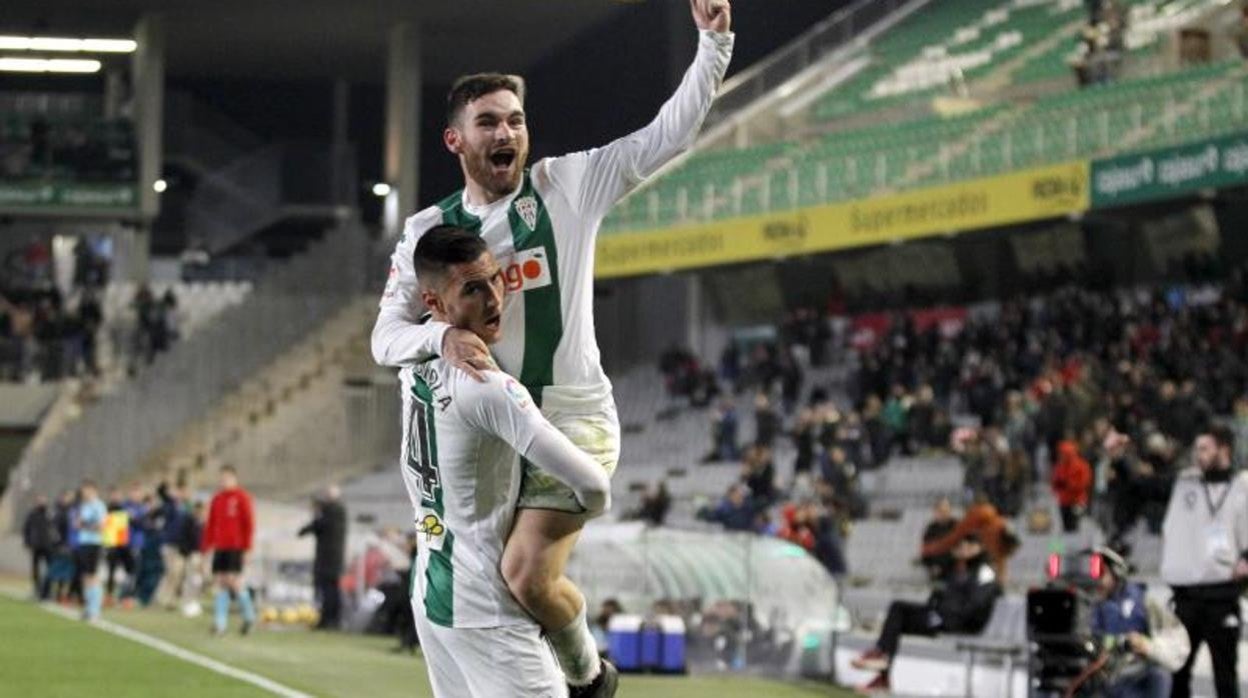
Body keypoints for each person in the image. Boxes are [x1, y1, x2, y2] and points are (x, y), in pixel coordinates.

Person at [372, 2, 732, 694]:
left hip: (572, 418)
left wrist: (713, 41)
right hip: (493, 432)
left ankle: (589, 676)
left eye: (516, 120)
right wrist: (439, 333)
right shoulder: (428, 235)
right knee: (495, 588)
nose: (507, 132)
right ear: (456, 142)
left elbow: (667, 136)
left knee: (525, 575)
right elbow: (385, 337)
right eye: (489, 122)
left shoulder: (567, 185)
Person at [396, 227, 613, 697]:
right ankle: (592, 675)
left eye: (497, 280)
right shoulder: (488, 388)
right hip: (485, 608)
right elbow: (594, 486)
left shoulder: (410, 365)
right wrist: (575, 511)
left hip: (432, 594)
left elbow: (389, 337)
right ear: (435, 304)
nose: (495, 298)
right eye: (473, 289)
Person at [851, 533, 1001, 693]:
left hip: (960, 623)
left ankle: (881, 658)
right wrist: (936, 607)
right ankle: (882, 669)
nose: (965, 550)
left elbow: (975, 604)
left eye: (970, 546)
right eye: (963, 546)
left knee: (899, 611)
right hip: (943, 617)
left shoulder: (984, 572)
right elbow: (942, 593)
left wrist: (942, 614)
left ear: (980, 549)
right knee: (897, 614)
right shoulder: (959, 570)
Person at [1160, 426, 1248, 698]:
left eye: (1205, 448)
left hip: (1221, 595)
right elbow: (1145, 487)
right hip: (1185, 597)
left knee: (1225, 678)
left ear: (1224, 450)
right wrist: (1121, 462)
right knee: (1178, 675)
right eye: (1197, 448)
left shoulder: (1241, 486)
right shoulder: (1184, 482)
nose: (1198, 455)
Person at [1083, 547, 1187, 698]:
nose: (1094, 580)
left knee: (1159, 675)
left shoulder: (1144, 602)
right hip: (1090, 676)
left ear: (1116, 573)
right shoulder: (1078, 604)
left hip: (1127, 676)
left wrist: (1147, 646)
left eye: (1100, 572)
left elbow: (1176, 644)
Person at [201, 465, 257, 636]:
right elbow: (210, 524)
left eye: (227, 478)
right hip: (220, 547)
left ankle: (249, 616)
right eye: (221, 478)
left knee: (234, 581)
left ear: (234, 478)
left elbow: (249, 524)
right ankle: (220, 624)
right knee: (219, 582)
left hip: (236, 547)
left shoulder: (242, 497)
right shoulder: (217, 499)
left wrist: (248, 548)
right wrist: (207, 546)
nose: (223, 481)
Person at [298, 485, 347, 630]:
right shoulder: (334, 510)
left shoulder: (335, 510)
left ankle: (330, 620)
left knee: (329, 590)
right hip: (330, 558)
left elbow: (318, 524)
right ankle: (329, 619)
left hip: (330, 558)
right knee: (329, 590)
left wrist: (306, 528)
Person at [75, 480, 108, 622]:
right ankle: (88, 608)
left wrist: (85, 525)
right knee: (85, 576)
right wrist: (81, 525)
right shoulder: (84, 505)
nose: (84, 493)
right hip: (83, 542)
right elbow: (78, 524)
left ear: (93, 490)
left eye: (86, 490)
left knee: (93, 576)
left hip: (94, 543)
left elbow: (101, 526)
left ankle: (95, 610)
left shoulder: (99, 506)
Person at [22, 494, 58, 600]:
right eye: (39, 500)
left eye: (43, 499)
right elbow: (26, 529)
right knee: (36, 569)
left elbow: (55, 528)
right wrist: (27, 542)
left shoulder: (50, 513)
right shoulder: (32, 514)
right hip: (36, 545)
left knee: (50, 568)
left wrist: (55, 542)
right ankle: (37, 590)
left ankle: (47, 591)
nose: (41, 502)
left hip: (48, 546)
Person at [1051, 439, 1092, 533]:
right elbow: (1054, 482)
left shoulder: (1081, 465)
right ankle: (1067, 545)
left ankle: (1075, 545)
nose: (1061, 456)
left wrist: (1068, 485)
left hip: (1076, 501)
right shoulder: (1059, 466)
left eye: (1063, 454)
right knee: (1066, 526)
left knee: (1075, 526)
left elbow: (1084, 483)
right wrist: (1058, 486)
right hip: (1063, 501)